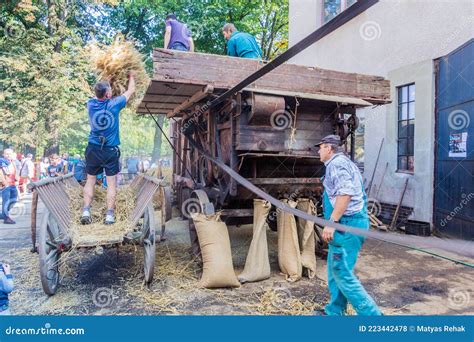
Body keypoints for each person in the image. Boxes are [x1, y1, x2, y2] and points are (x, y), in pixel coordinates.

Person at [315, 135, 381, 316]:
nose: (318, 151)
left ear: (329, 148)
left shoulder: (336, 164)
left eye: (320, 147)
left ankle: (373, 316)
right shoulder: (345, 163)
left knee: (342, 273)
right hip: (347, 224)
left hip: (347, 225)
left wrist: (331, 222)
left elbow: (345, 194)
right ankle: (334, 312)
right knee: (335, 271)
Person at [81, 73, 135, 225]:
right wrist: (131, 76)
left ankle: (86, 210)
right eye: (110, 90)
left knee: (90, 180)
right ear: (108, 94)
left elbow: (101, 92)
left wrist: (107, 81)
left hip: (93, 149)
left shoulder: (90, 104)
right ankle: (109, 215)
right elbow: (131, 91)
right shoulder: (115, 104)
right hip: (110, 151)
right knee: (111, 184)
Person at [0, 149, 18, 224]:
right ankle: (6, 218)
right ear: (3, 154)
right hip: (5, 184)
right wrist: (4, 182)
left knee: (14, 200)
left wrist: (16, 179)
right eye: (6, 154)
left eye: (10, 154)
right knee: (6, 201)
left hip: (12, 184)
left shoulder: (12, 162)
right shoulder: (1, 161)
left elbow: (14, 171)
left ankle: (3, 214)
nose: (8, 155)